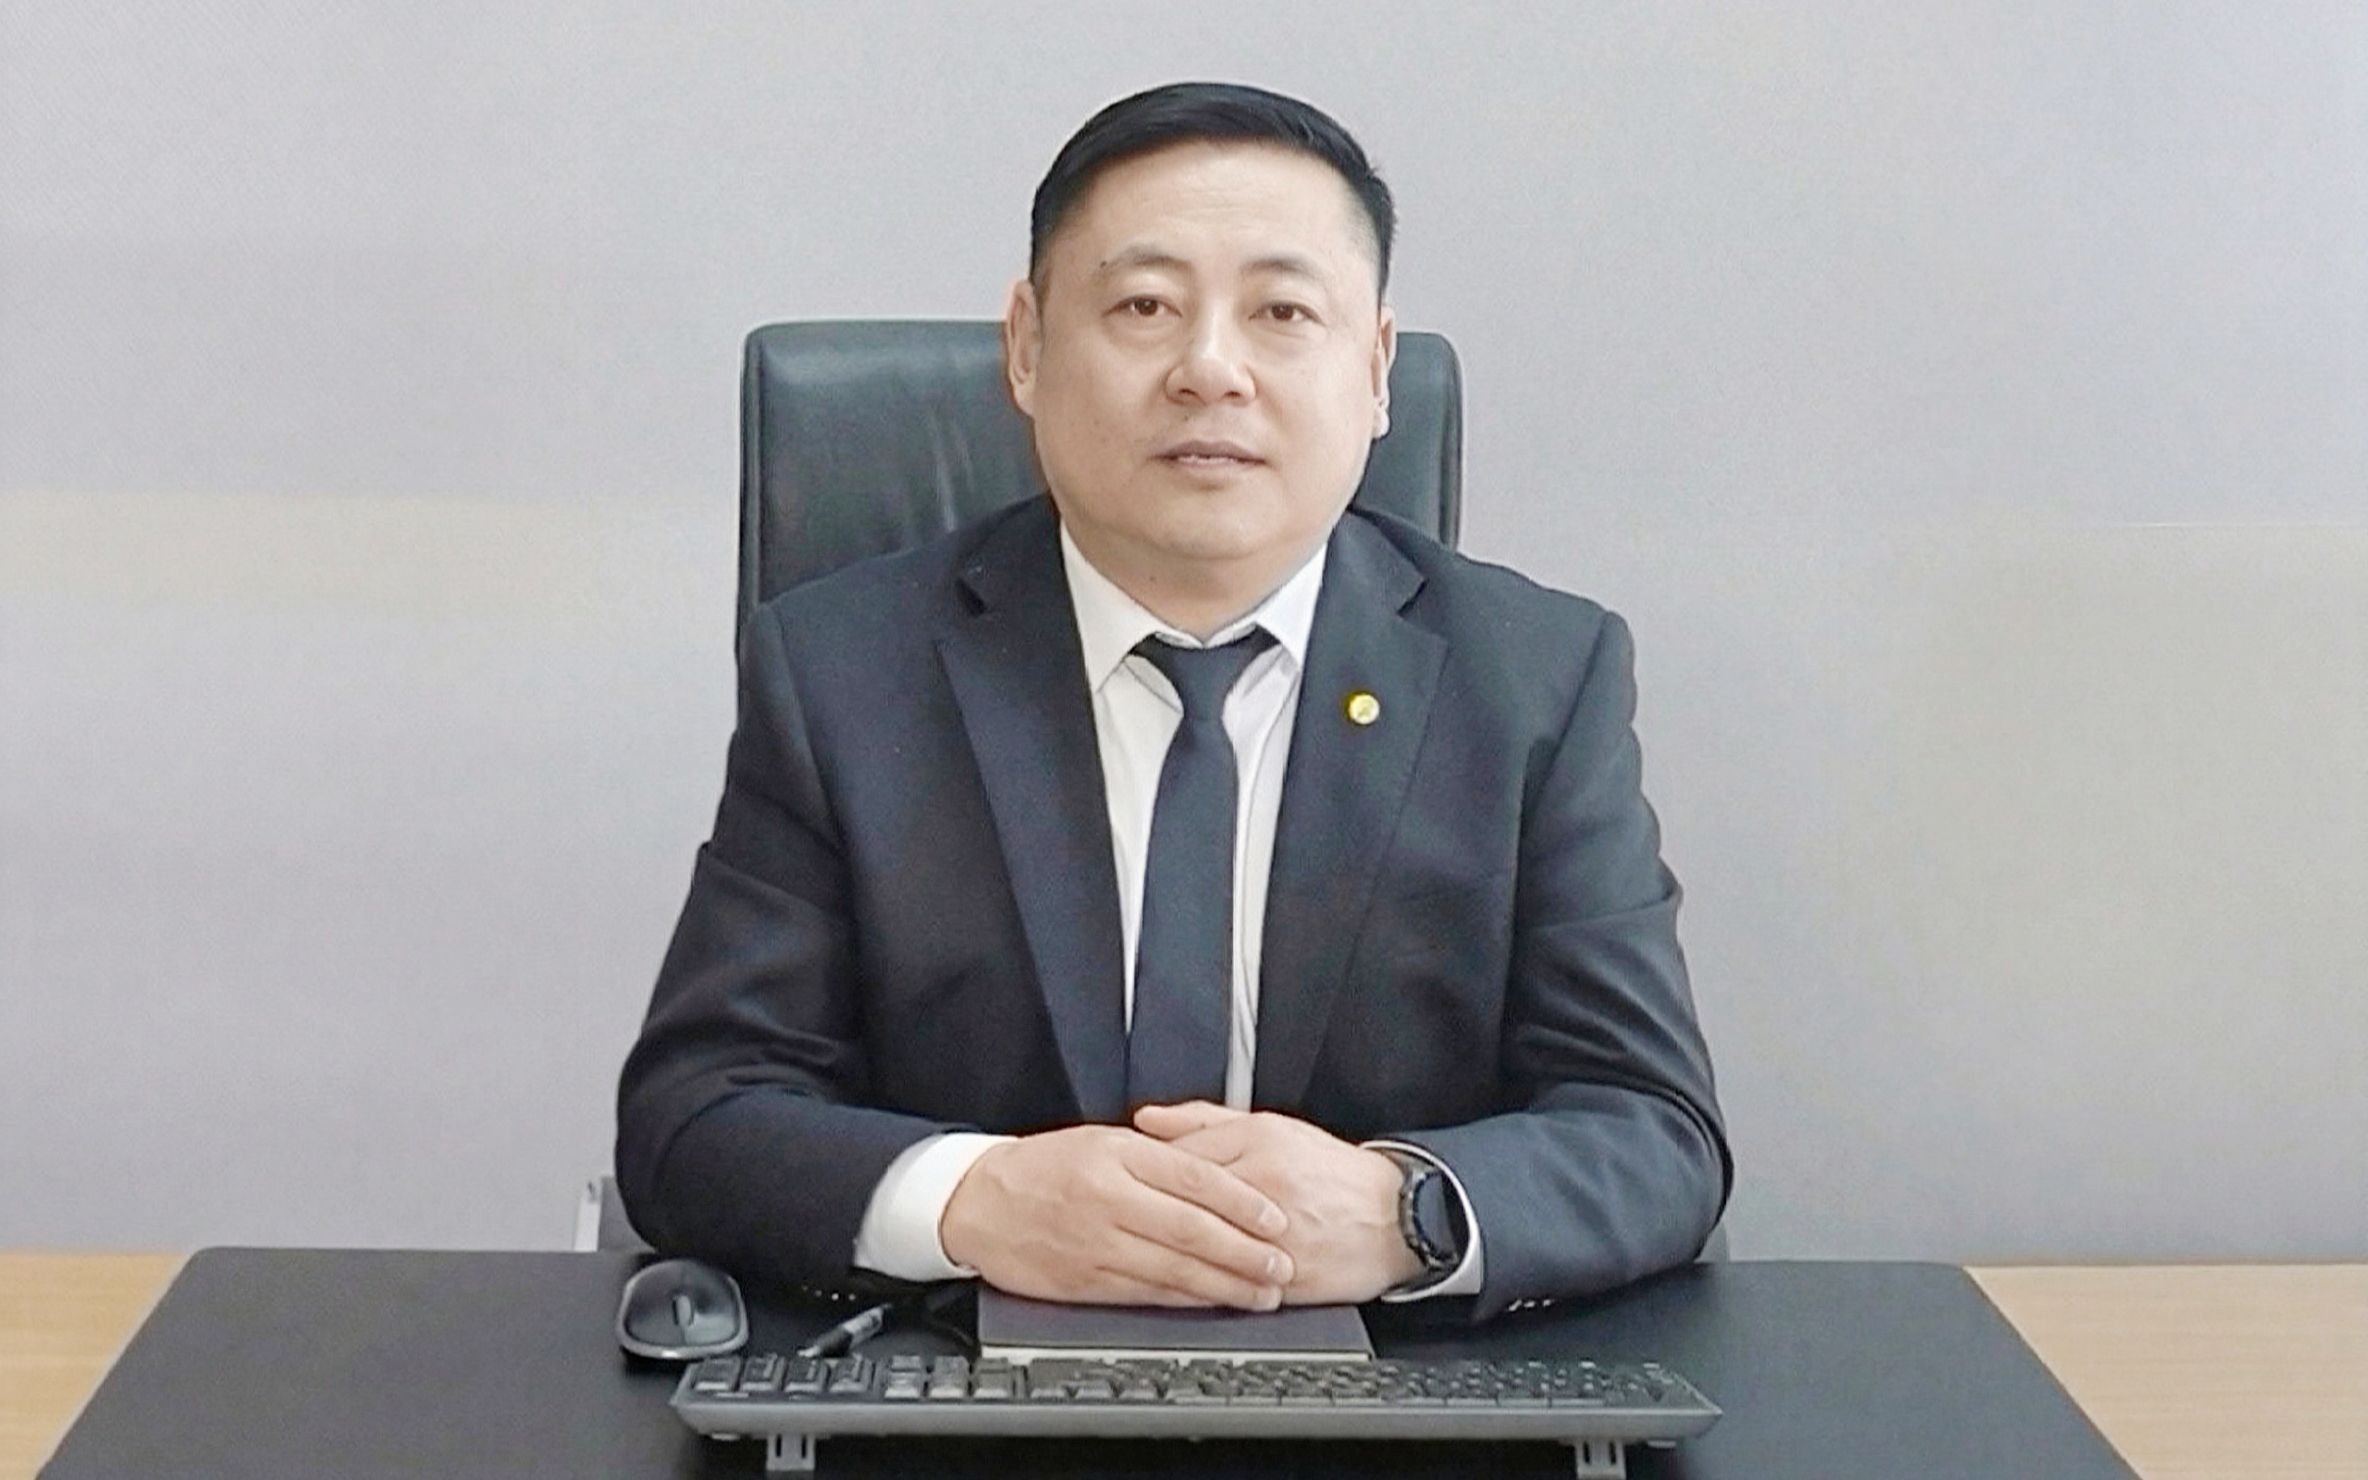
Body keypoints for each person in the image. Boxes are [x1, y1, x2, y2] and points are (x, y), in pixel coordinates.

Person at [615, 81, 1730, 1322]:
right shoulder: (843, 672)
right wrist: (972, 1196)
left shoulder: (1535, 680)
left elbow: (1653, 1129)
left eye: (1281, 312)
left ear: (1374, 371)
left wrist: (1404, 1211)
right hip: (956, 1387)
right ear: (1026, 348)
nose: (1210, 369)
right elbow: (694, 1117)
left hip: (1401, 1396)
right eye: (1144, 305)